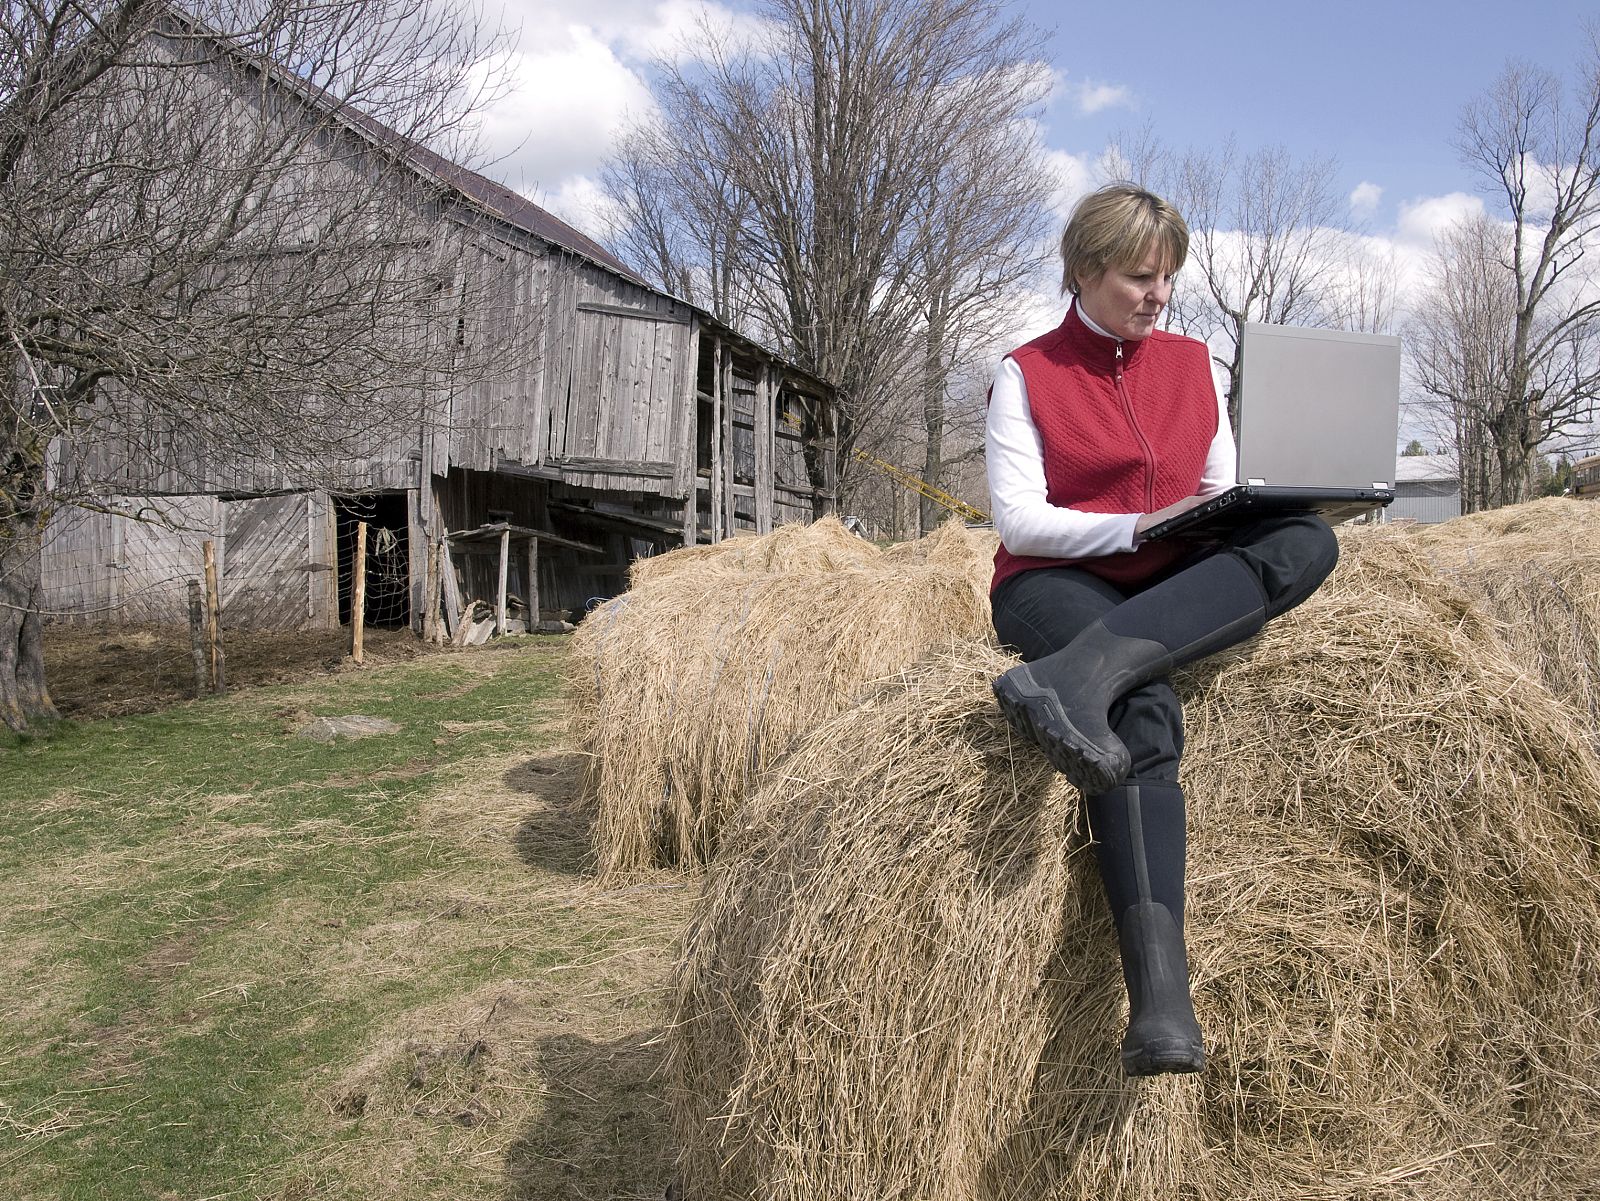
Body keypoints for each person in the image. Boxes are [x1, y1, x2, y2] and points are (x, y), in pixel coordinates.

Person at [985, 183, 1337, 1077]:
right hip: (1057, 579)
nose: (1159, 295)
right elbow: (1021, 522)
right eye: (1141, 277)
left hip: (1173, 565)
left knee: (1307, 538)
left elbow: (1216, 486)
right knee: (1144, 711)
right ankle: (1159, 1001)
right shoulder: (1027, 372)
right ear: (1085, 271)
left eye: (1168, 278)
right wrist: (1133, 527)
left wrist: (1220, 513)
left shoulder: (1195, 364)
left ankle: (1077, 680)